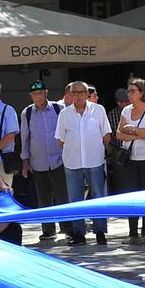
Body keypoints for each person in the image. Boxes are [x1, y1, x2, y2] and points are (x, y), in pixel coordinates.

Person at [53, 81, 111, 245]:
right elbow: (60, 140)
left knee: (98, 197)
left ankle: (100, 231)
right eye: (75, 93)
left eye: (81, 92)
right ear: (70, 95)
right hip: (72, 162)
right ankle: (79, 233)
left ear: (87, 94)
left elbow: (106, 135)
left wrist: (97, 148)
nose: (78, 96)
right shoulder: (64, 114)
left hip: (95, 160)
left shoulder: (98, 110)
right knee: (75, 199)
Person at [18, 79, 67, 240]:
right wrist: (25, 161)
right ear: (31, 96)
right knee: (43, 197)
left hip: (59, 159)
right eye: (34, 94)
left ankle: (67, 228)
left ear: (46, 93)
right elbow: (25, 137)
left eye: (40, 93)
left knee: (62, 196)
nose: (38, 97)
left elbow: (67, 132)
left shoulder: (58, 108)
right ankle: (48, 229)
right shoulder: (27, 113)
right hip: (38, 162)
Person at [113, 78, 145, 238]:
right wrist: (138, 134)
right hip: (129, 160)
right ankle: (133, 232)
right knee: (131, 195)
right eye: (128, 91)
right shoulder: (126, 110)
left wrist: (133, 130)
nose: (129, 94)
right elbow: (119, 134)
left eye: (133, 91)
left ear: (142, 92)